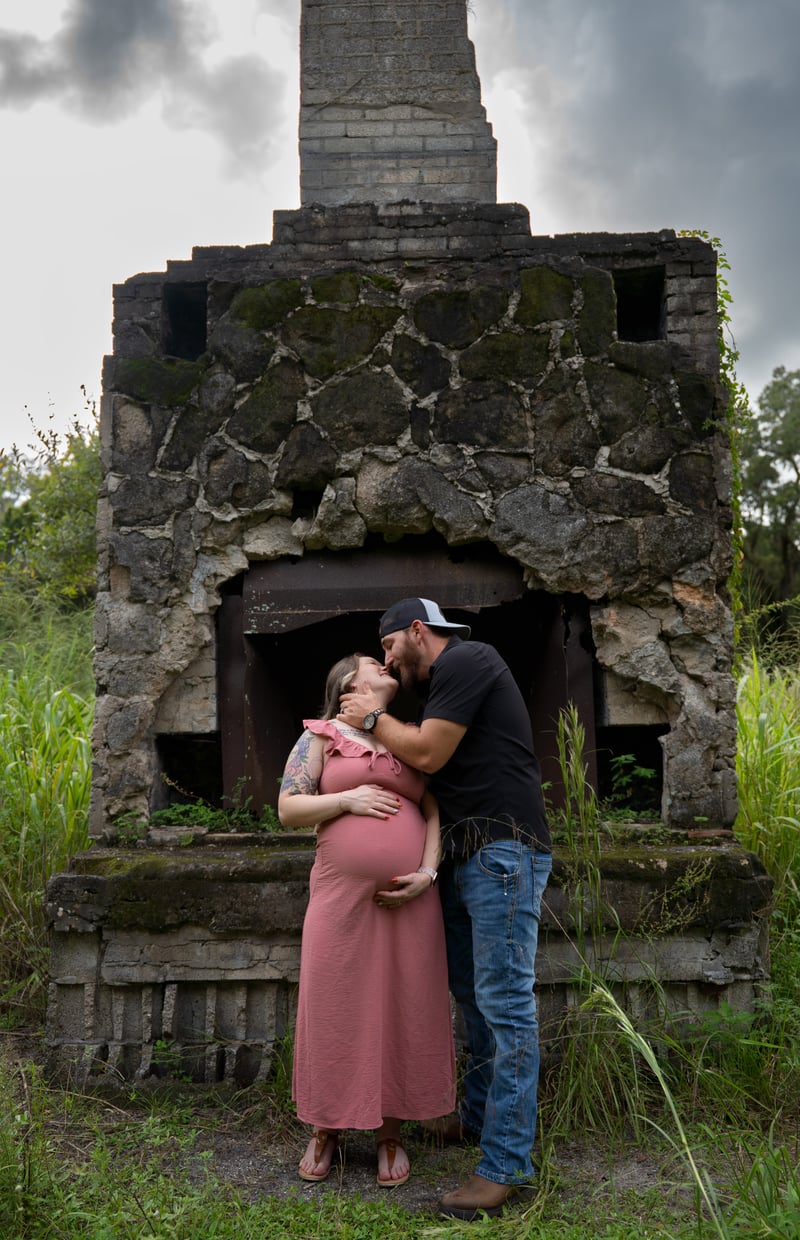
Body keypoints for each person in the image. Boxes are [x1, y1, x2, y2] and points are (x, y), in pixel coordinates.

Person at [338, 598, 552, 1221]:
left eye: (388, 647)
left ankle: (505, 1166)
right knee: (473, 999)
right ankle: (479, 1119)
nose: (386, 661)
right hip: (466, 858)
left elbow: (427, 755)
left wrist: (371, 717)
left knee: (505, 1005)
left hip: (502, 850)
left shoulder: (467, 659)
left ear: (417, 630)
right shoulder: (441, 690)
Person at [278, 651, 455, 1188]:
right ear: (348, 684)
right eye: (372, 662)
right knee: (334, 1004)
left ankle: (389, 1134)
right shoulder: (321, 736)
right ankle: (325, 1128)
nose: (385, 664)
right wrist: (347, 799)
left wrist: (428, 872)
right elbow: (288, 808)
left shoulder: (407, 736)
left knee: (403, 1006)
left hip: (409, 900)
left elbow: (433, 811)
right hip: (340, 899)